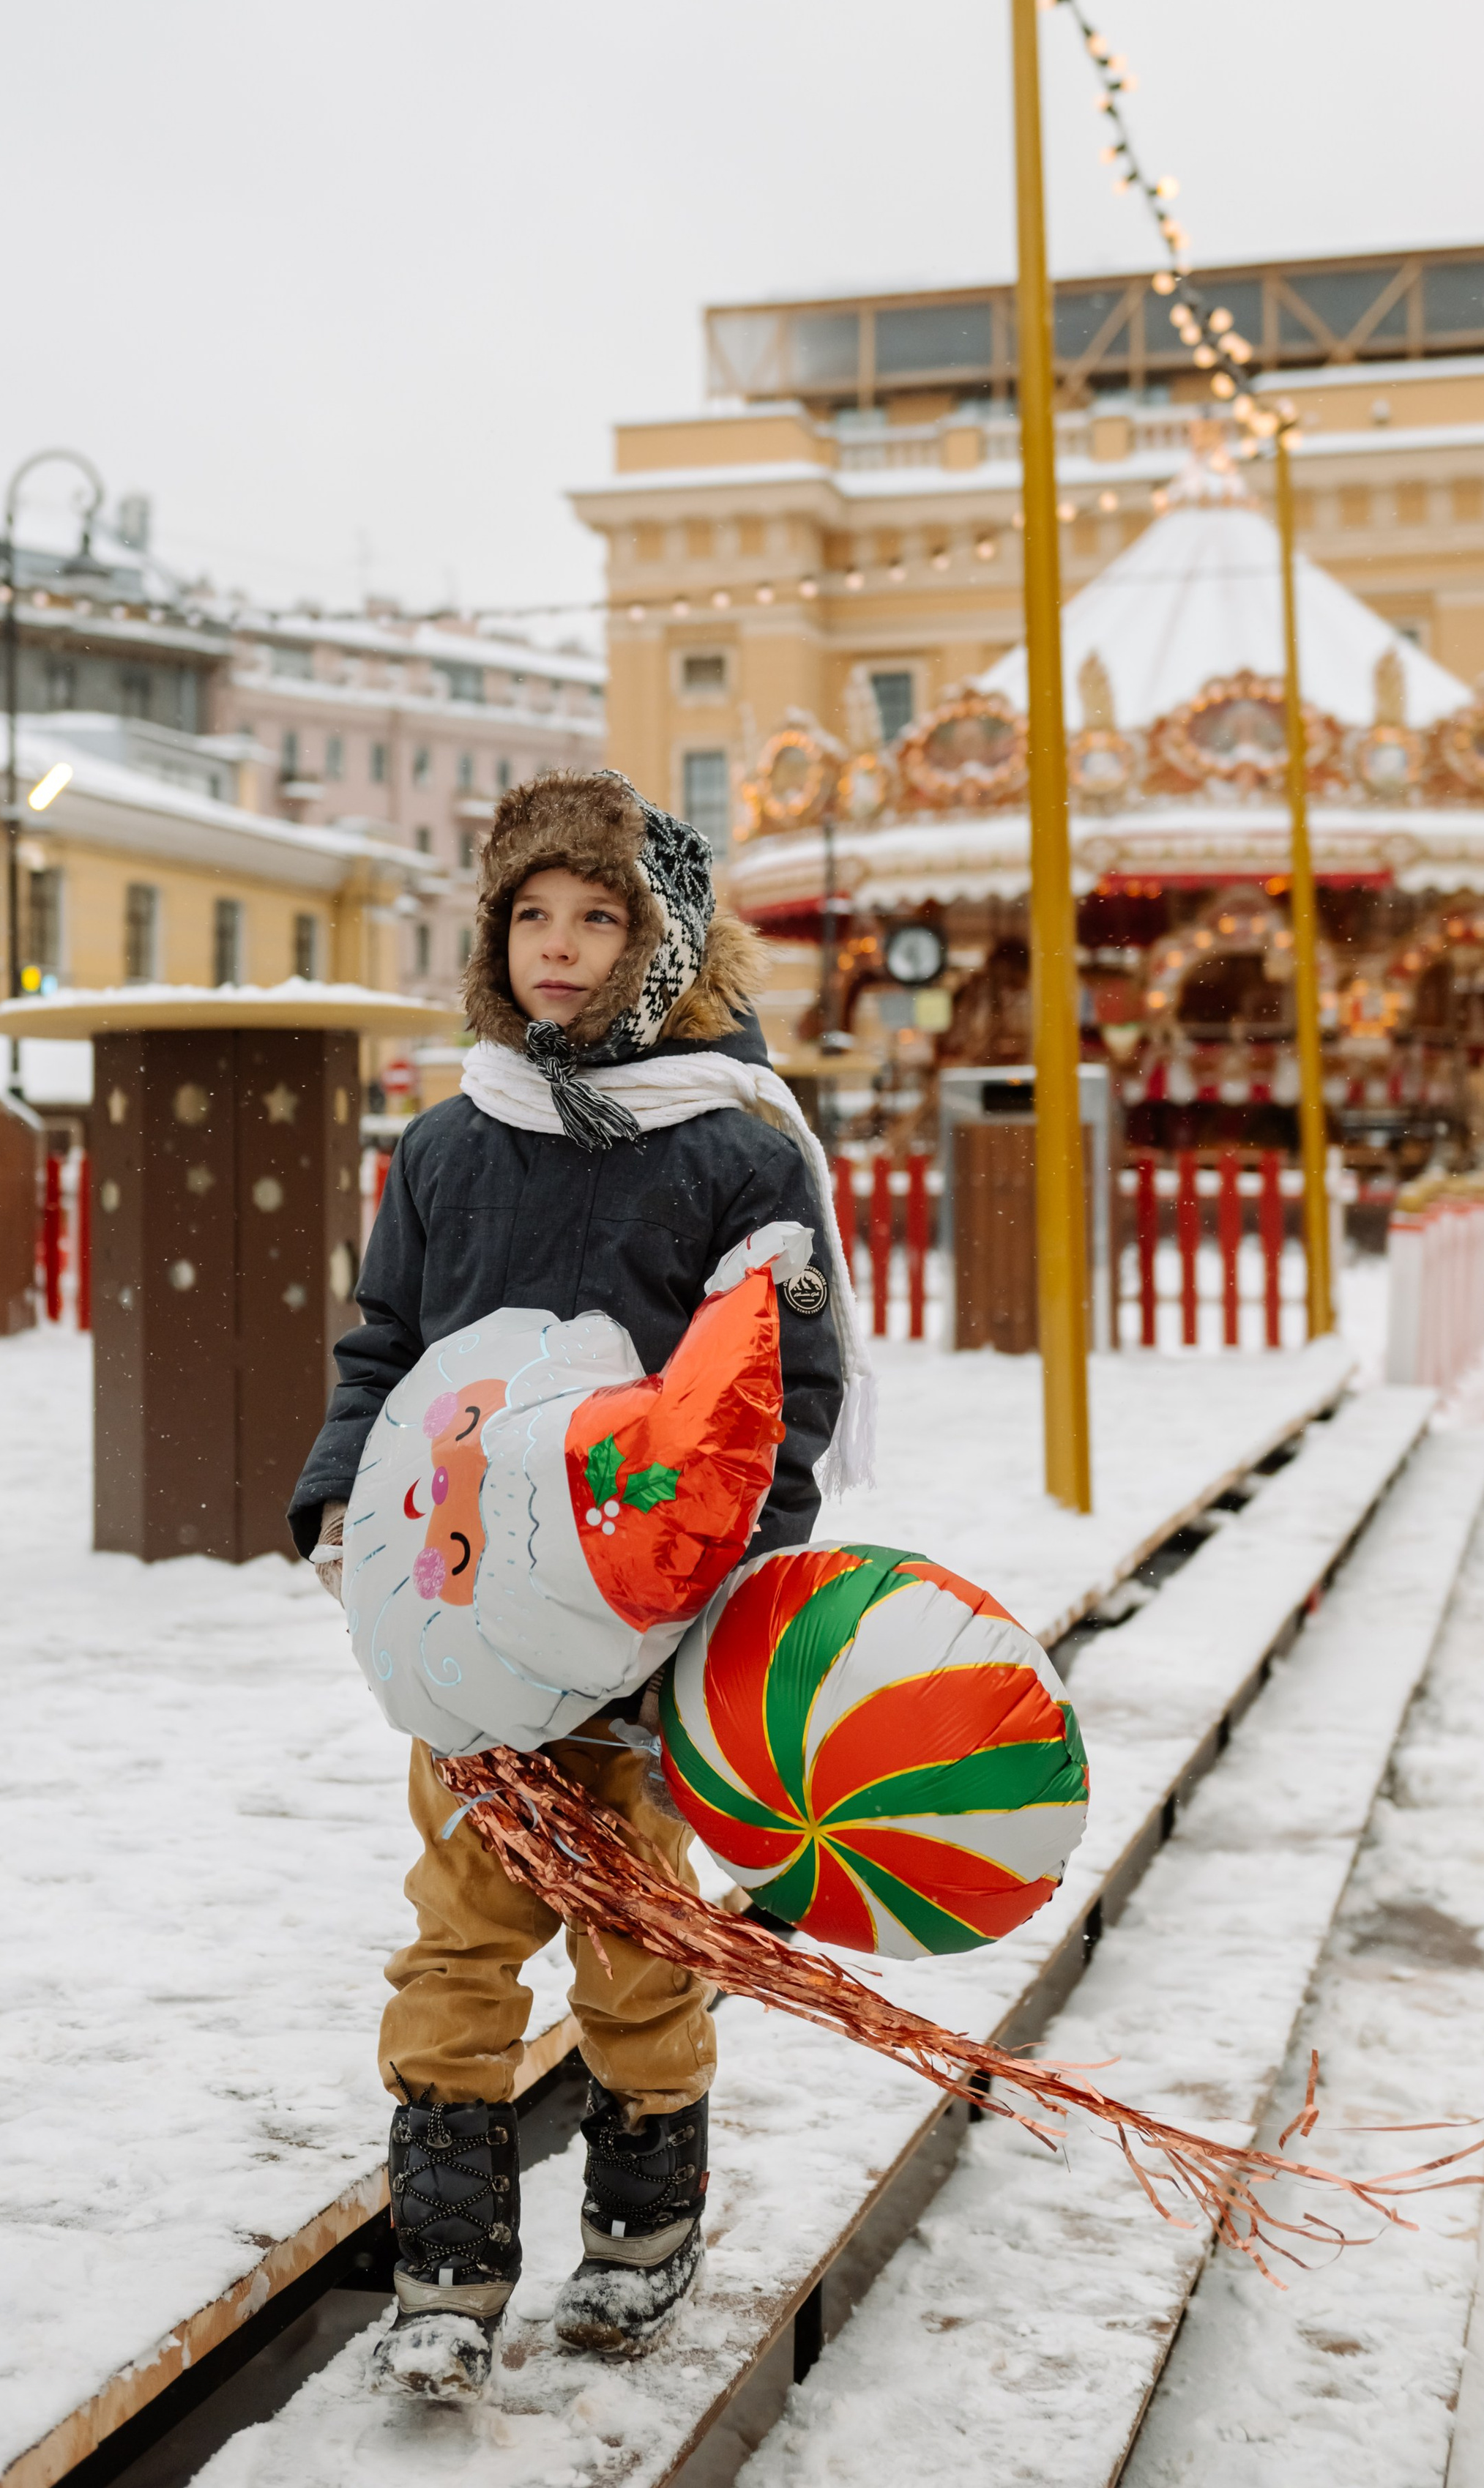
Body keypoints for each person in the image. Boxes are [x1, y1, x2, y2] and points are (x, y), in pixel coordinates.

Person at [289, 770, 862, 2399]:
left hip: (639, 1623)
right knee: (458, 1933)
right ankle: (449, 2259)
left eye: (595, 917)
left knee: (634, 1933)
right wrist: (341, 1499)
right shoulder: (454, 1139)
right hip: (469, 1618)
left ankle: (640, 2215)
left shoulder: (731, 1156)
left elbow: (776, 1392)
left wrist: (736, 1590)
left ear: (660, 940)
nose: (556, 949)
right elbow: (386, 1344)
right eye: (527, 917)